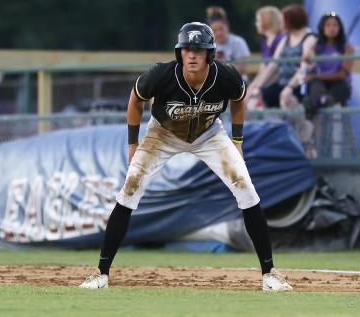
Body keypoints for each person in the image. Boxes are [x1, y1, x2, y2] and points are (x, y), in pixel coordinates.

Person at [79, 22, 292, 292]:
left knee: (245, 188)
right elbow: (135, 100)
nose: (192, 55)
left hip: (209, 134)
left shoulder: (226, 76)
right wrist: (132, 143)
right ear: (179, 52)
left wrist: (237, 140)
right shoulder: (161, 74)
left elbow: (240, 99)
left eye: (199, 50)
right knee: (130, 189)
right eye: (187, 49)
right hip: (162, 134)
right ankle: (101, 273)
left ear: (209, 54)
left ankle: (269, 274)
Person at [248, 4, 317, 108]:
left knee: (286, 99)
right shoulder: (286, 39)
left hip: (300, 85)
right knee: (255, 98)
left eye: (282, 21)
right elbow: (273, 64)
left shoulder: (309, 39)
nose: (280, 25)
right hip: (282, 84)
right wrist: (257, 87)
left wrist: (290, 87)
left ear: (291, 21)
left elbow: (304, 69)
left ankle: (303, 124)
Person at [302, 12, 354, 119]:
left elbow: (343, 74)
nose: (332, 28)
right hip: (320, 83)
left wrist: (316, 76)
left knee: (338, 89)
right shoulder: (317, 45)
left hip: (338, 83)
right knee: (315, 84)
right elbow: (307, 57)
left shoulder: (347, 48)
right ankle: (320, 100)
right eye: (328, 25)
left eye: (335, 25)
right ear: (322, 27)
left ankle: (314, 104)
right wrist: (309, 54)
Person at [245, 6, 285, 108]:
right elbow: (263, 69)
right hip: (268, 82)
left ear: (267, 21)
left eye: (258, 20)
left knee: (254, 100)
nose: (256, 24)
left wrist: (258, 87)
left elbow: (276, 68)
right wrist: (252, 87)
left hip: (279, 82)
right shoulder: (265, 42)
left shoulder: (280, 39)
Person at [206, 6, 251, 79]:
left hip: (238, 81)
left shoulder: (238, 42)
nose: (219, 33)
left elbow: (244, 68)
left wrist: (222, 63)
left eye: (221, 29)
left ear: (227, 27)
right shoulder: (207, 45)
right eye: (215, 30)